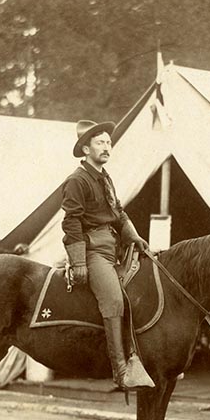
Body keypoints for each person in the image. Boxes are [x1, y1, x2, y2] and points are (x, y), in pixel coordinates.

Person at [61, 119, 153, 390]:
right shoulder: (77, 180)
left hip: (115, 247)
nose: (107, 147)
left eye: (109, 143)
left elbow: (119, 212)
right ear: (86, 149)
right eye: (100, 142)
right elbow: (71, 222)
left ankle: (148, 360)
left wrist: (134, 237)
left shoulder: (105, 178)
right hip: (93, 251)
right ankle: (121, 372)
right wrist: (79, 261)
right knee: (113, 300)